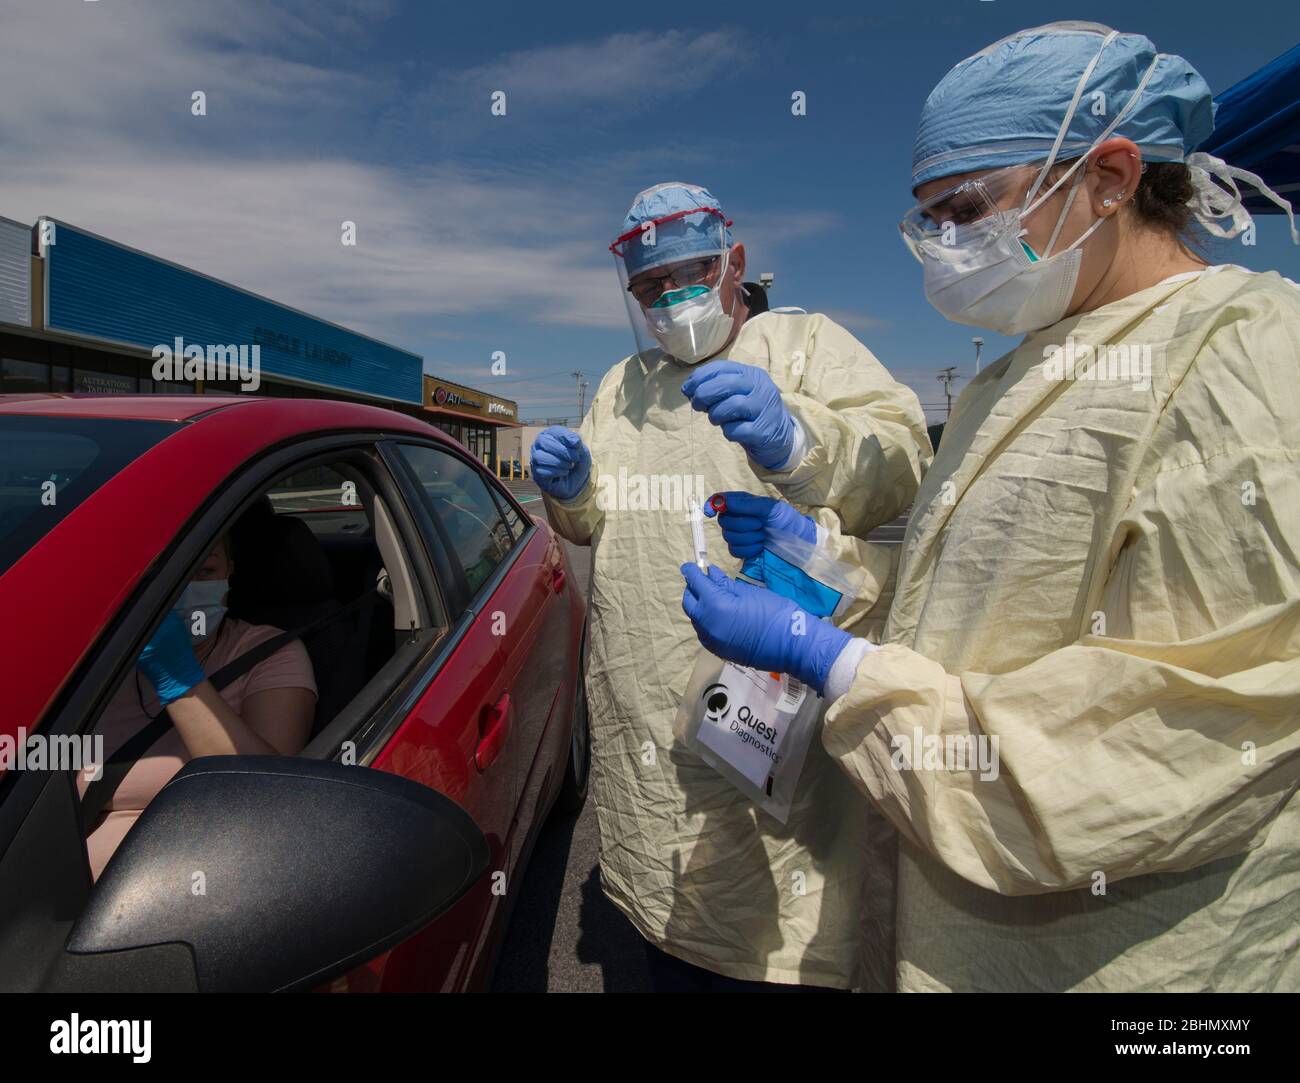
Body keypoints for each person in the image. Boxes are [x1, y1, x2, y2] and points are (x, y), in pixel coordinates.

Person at [680, 22, 1300, 991]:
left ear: (1109, 176)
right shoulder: (1014, 369)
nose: (940, 246)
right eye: (924, 219)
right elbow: (976, 603)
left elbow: (1173, 736)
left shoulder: (1245, 357)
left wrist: (833, 664)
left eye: (965, 209)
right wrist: (827, 567)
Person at [532, 181, 930, 990]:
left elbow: (901, 464)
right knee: (664, 917)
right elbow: (587, 525)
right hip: (645, 718)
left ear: (735, 262)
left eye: (691, 274)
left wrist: (798, 439)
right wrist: (571, 489)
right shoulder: (623, 385)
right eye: (650, 287)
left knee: (776, 940)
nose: (671, 299)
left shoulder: (806, 346)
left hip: (778, 708)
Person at [78, 534, 317, 880]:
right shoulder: (95, 655)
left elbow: (264, 798)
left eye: (204, 570)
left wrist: (177, 678)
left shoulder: (269, 652)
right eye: (167, 574)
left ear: (229, 571)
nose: (185, 589)